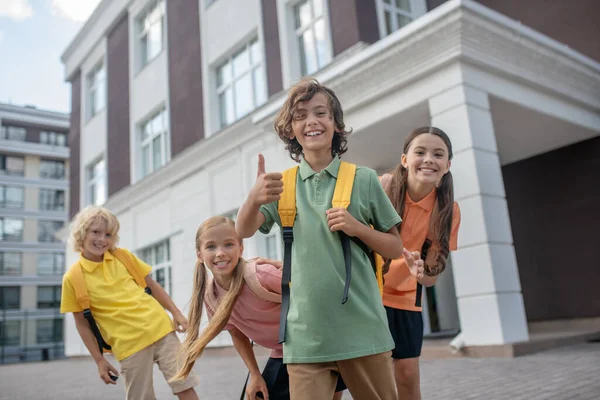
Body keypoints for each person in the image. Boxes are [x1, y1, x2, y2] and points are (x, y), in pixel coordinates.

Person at [235, 78, 417, 400]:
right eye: (301, 115)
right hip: (305, 337)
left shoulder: (363, 179)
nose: (312, 121)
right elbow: (243, 231)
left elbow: (393, 246)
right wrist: (252, 199)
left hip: (362, 330)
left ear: (335, 124)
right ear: (291, 130)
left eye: (321, 113)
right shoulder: (282, 186)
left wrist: (357, 227)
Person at [172, 216, 346, 400]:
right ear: (199, 254)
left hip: (320, 345)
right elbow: (237, 334)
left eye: (229, 244)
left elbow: (313, 291)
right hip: (283, 351)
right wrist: (255, 374)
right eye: (211, 246)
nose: (220, 252)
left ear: (241, 248)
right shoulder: (211, 296)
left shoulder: (261, 276)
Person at [60, 206, 199, 400]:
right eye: (96, 232)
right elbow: (82, 324)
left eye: (108, 234)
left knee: (185, 386)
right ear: (82, 233)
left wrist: (176, 313)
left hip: (160, 327)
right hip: (128, 344)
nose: (102, 239)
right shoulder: (73, 278)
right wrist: (99, 360)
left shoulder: (122, 256)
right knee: (141, 397)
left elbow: (153, 285)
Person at [381, 126, 461, 400]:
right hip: (365, 294)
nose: (429, 159)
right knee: (347, 376)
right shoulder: (384, 187)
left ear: (447, 165)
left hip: (405, 299)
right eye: (420, 152)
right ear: (405, 159)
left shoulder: (448, 210)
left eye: (438, 154)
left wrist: (421, 273)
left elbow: (432, 276)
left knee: (407, 376)